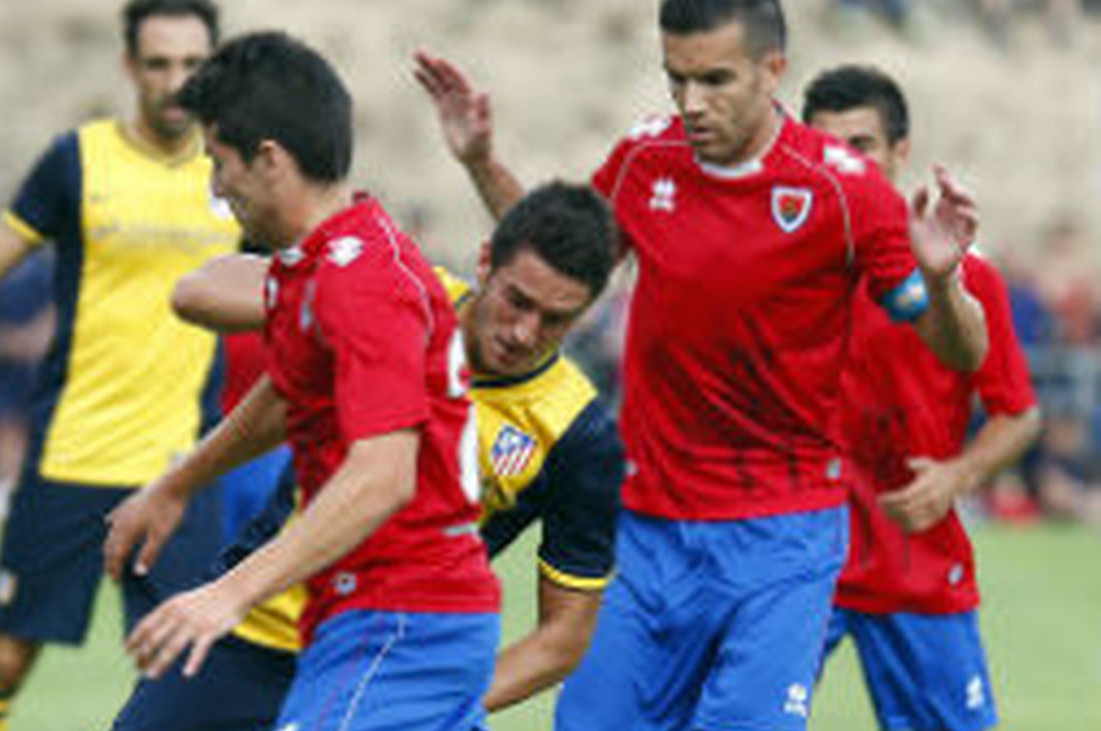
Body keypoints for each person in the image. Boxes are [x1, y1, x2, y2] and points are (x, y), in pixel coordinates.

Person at [414, 1, 990, 729]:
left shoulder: (845, 191)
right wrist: (479, 161)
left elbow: (962, 350)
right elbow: (557, 262)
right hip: (647, 530)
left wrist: (943, 280)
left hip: (782, 537)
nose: (691, 103)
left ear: (771, 69)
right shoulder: (645, 158)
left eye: (714, 79)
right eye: (676, 79)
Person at [108, 181, 624, 730]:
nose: (525, 333)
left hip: (391, 661)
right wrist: (177, 483)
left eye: (555, 319)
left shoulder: (579, 437)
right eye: (517, 301)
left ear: (587, 312)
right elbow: (203, 291)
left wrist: (442, 700)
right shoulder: (394, 295)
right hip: (254, 632)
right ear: (484, 262)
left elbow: (563, 637)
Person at [102, 31, 501, 731]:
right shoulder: (312, 264)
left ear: (270, 159)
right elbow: (290, 393)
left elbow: (383, 474)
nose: (216, 190)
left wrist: (227, 593)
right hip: (363, 612)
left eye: (219, 166)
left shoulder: (360, 282)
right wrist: (177, 483)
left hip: (403, 618)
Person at [0, 2, 236, 729]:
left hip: (182, 468)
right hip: (73, 453)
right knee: (2, 661)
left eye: (192, 65)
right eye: (158, 64)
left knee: (190, 673)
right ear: (129, 67)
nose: (175, 82)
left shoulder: (239, 169)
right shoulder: (78, 161)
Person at [803, 64, 1042, 731]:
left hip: (913, 554)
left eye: (861, 146)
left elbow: (1018, 413)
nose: (843, 164)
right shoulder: (780, 275)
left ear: (900, 153)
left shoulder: (966, 283)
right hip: (796, 561)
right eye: (826, 148)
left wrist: (957, 474)